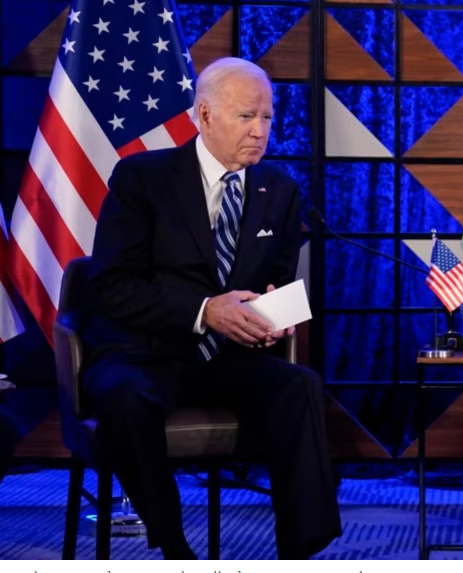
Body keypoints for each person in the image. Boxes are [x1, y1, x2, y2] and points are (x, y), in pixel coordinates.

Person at [81, 57, 340, 560]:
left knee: (300, 386)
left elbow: (274, 284)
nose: (260, 130)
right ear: (204, 115)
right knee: (125, 398)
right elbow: (110, 286)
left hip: (227, 357)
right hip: (143, 352)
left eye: (267, 117)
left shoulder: (280, 191)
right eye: (246, 116)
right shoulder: (142, 178)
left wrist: (271, 319)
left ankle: (301, 551)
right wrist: (204, 310)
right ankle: (175, 547)